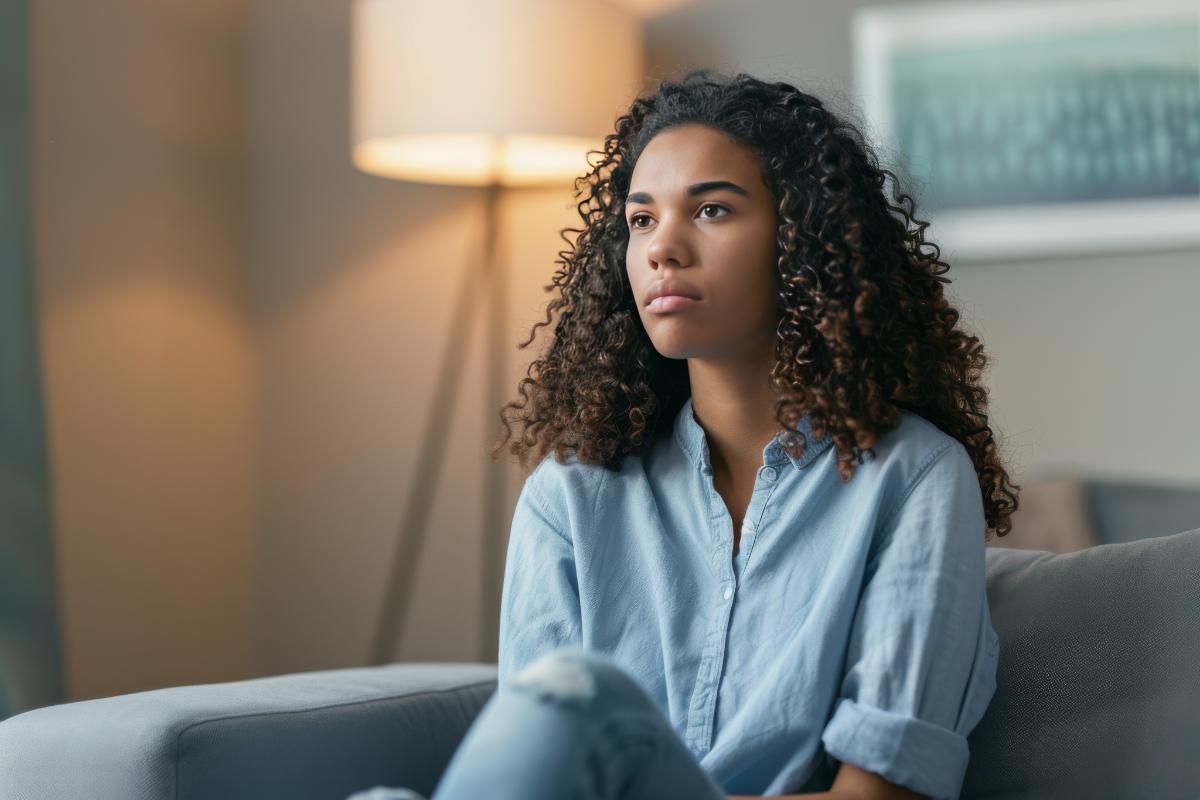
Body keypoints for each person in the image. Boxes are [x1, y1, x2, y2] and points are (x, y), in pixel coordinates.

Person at [349, 69, 1020, 800]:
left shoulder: (915, 477)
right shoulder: (570, 496)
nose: (663, 248)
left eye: (712, 212)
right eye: (641, 220)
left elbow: (880, 797)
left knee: (578, 691)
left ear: (800, 241)